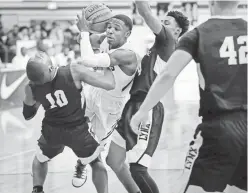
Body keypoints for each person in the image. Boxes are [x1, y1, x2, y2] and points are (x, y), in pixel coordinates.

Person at [131, 1, 247, 193]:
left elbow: (168, 75)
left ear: (211, 2)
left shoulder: (199, 34)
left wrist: (142, 112)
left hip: (219, 128)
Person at [106, 1, 189, 193]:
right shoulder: (158, 48)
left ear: (177, 31)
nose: (162, 24)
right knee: (114, 159)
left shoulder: (168, 40)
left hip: (147, 108)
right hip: (132, 106)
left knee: (138, 169)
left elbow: (144, 10)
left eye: (167, 22)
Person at [23, 51, 116, 193]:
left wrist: (38, 99)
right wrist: (107, 64)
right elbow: (109, 84)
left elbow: (28, 115)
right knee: (96, 161)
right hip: (77, 130)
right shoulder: (73, 71)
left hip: (51, 131)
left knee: (40, 158)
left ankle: (37, 189)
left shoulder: (31, 87)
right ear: (50, 67)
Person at [71, 10, 141, 191]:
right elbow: (84, 40)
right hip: (92, 93)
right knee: (72, 130)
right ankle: (82, 159)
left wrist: (86, 32)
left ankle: (82, 161)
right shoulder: (105, 39)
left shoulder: (128, 54)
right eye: (109, 26)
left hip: (110, 106)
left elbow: (88, 60)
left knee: (96, 151)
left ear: (127, 34)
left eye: (116, 29)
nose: (110, 31)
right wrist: (90, 29)